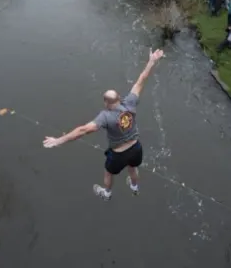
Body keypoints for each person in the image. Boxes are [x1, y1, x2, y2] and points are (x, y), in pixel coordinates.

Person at [43, 48, 166, 201]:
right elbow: (141, 80)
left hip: (118, 154)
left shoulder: (105, 116)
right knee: (133, 168)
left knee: (108, 173)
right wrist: (152, 61)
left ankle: (107, 193)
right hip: (136, 147)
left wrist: (58, 141)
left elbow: (82, 130)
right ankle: (135, 188)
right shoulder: (130, 102)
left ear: (105, 103)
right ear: (119, 97)